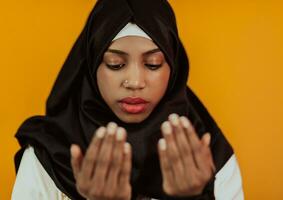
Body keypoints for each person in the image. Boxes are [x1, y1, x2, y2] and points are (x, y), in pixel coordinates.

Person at [12, 0, 244, 199]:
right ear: (91, 67)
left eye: (153, 64)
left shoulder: (206, 155)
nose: (134, 81)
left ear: (173, 68)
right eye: (116, 64)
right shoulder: (49, 156)